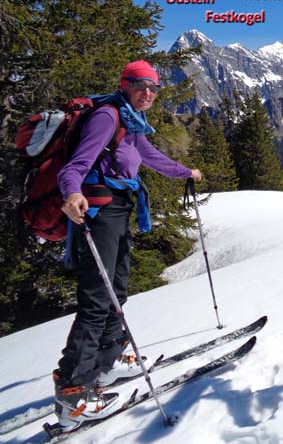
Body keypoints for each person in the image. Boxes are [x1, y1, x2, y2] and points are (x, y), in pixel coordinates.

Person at [53, 60, 202, 432]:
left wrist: (186, 172)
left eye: (153, 88)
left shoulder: (131, 121)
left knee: (117, 290)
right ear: (125, 84)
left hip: (119, 210)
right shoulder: (108, 117)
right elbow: (73, 167)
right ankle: (73, 393)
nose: (148, 93)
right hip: (98, 211)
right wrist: (72, 194)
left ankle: (106, 362)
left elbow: (149, 157)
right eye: (140, 85)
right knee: (97, 300)